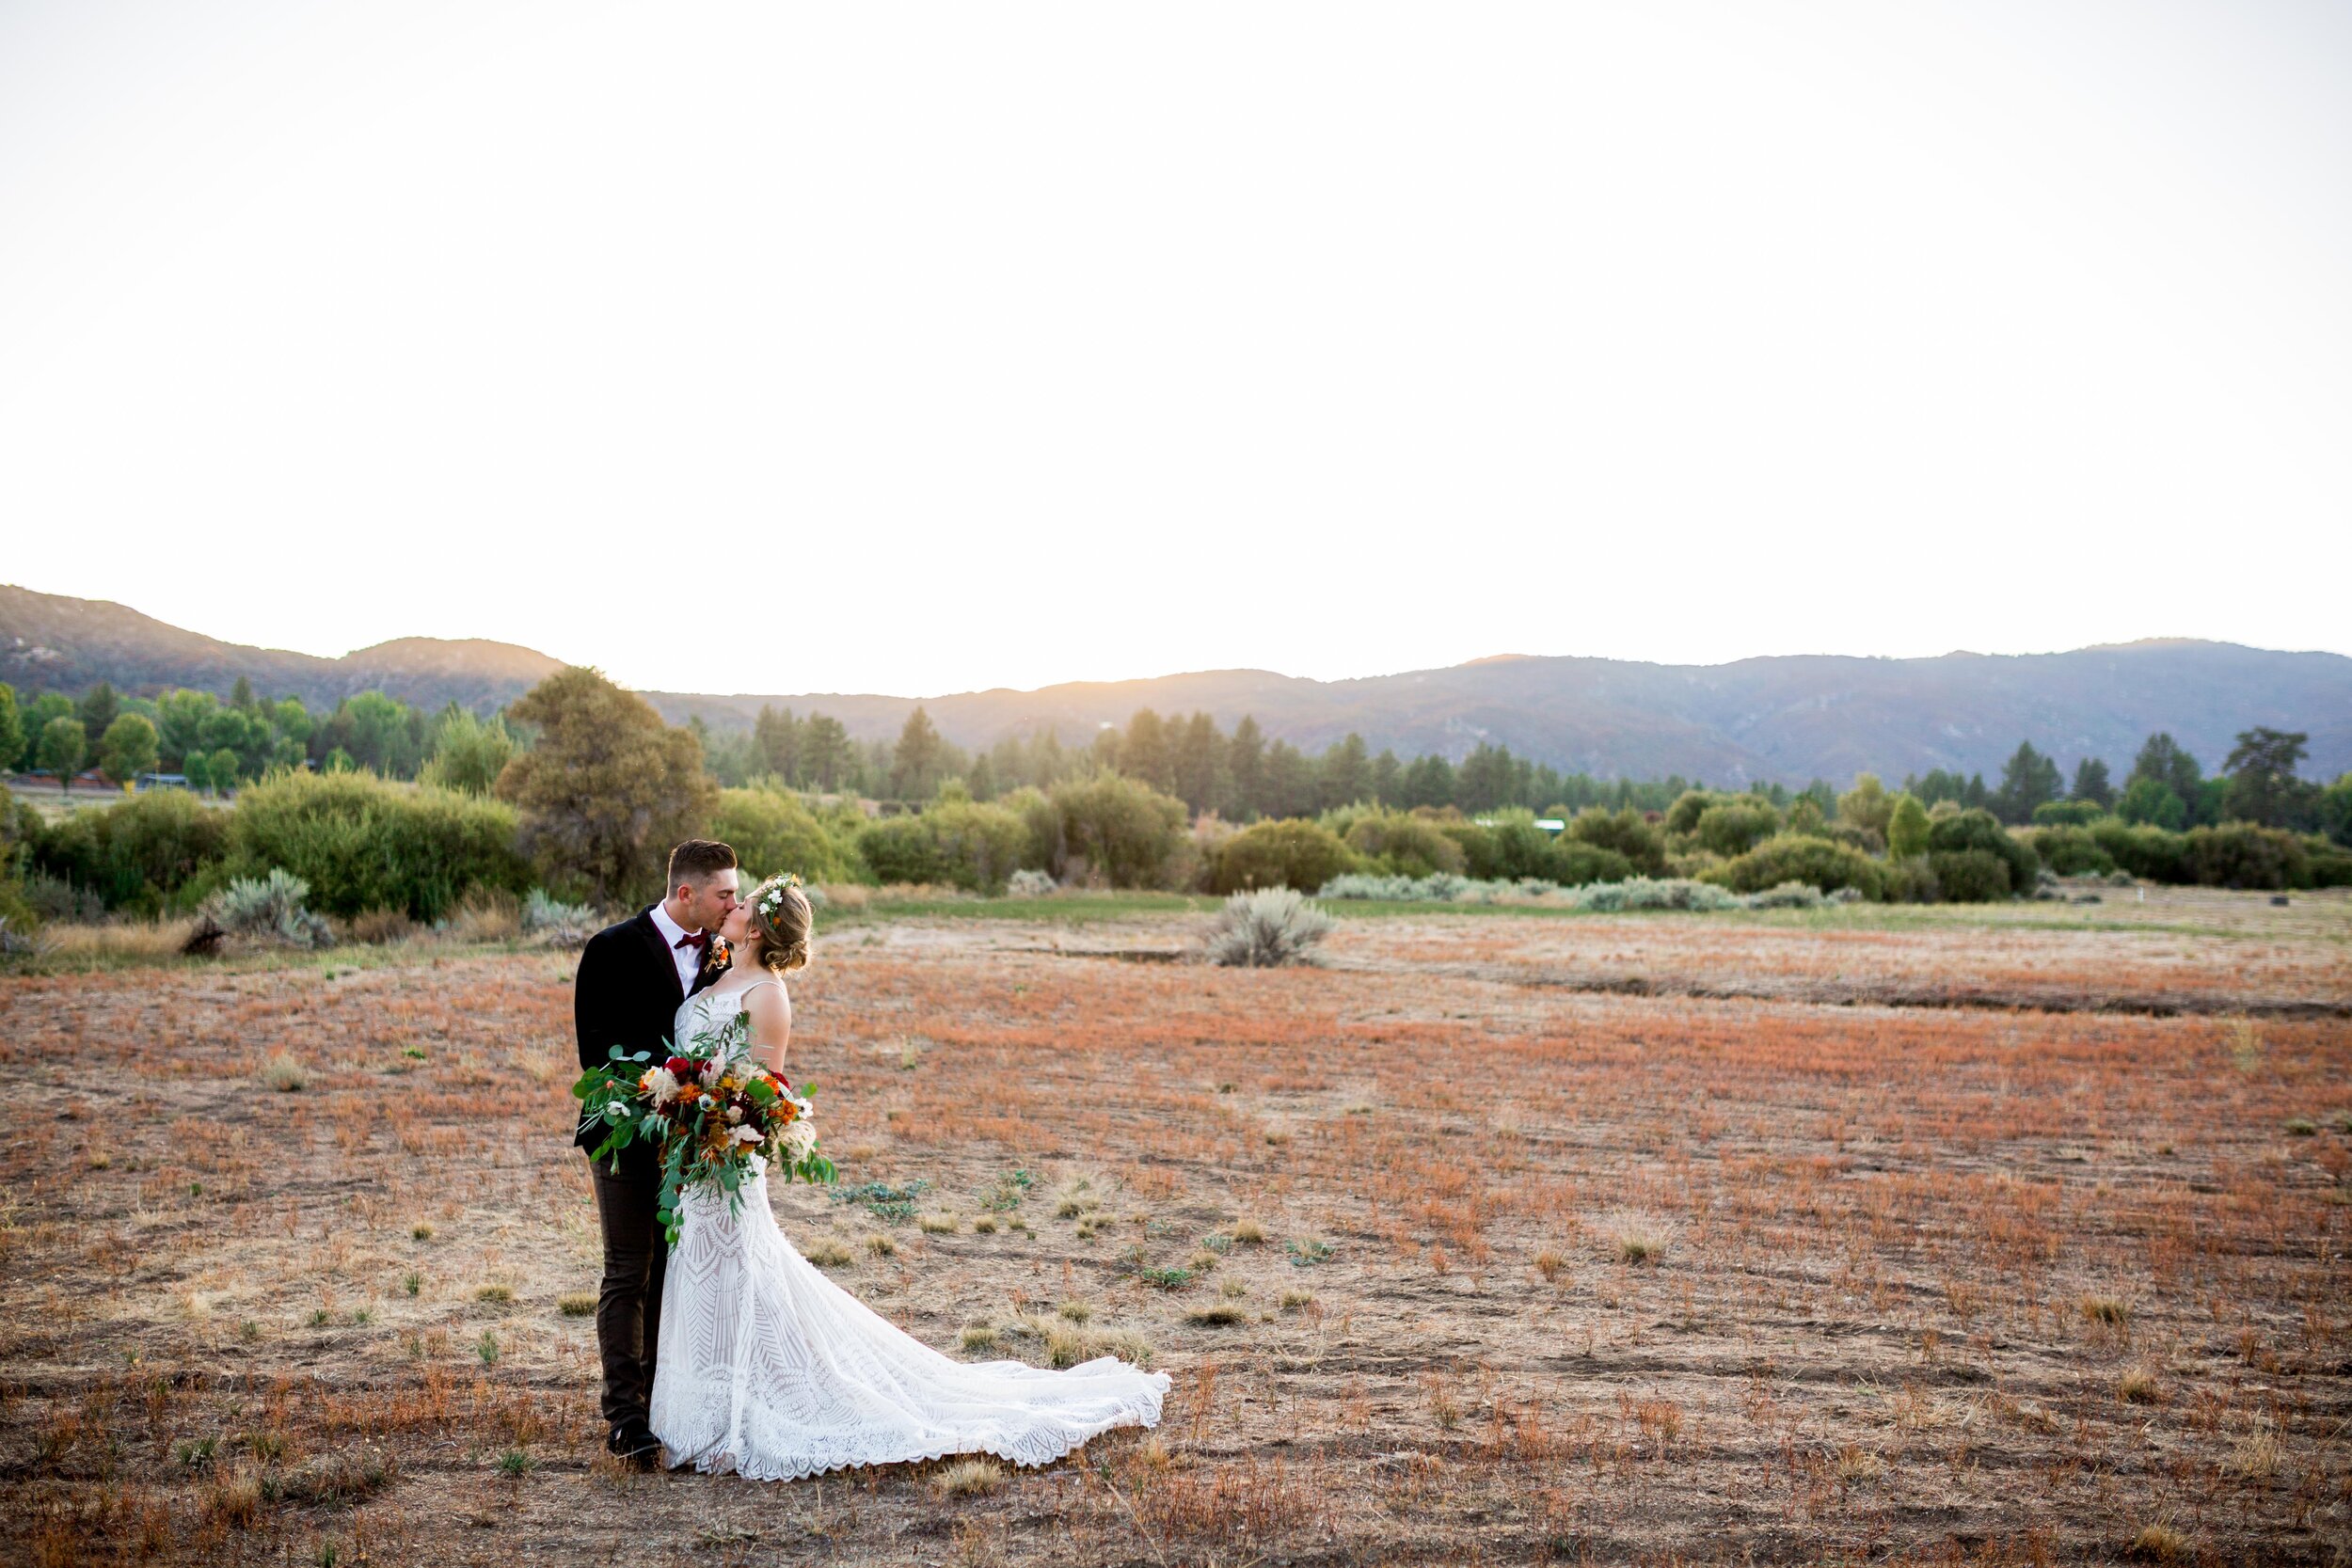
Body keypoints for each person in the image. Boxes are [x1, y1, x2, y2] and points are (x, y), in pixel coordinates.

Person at [649, 873, 1168, 1480]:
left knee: (737, 1273)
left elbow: (765, 1092)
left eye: (743, 904)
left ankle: (746, 1411)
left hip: (731, 1159)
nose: (731, 908)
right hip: (691, 1160)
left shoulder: (766, 995)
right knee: (702, 1272)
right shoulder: (719, 974)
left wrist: (720, 1121)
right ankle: (699, 1408)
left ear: (759, 927)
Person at [573, 838, 740, 1468]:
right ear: (687, 892)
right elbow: (597, 1056)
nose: (734, 902)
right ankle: (624, 1417)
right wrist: (666, 1095)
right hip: (621, 1132)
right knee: (628, 1268)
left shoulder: (724, 952)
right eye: (725, 892)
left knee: (673, 1267)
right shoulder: (610, 948)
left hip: (693, 1139)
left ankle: (661, 1400)